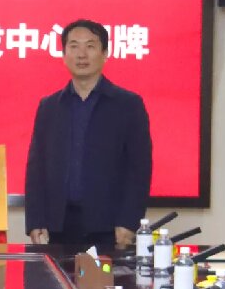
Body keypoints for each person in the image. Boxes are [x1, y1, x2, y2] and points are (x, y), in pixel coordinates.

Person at [25, 19, 152, 248]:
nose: (81, 54)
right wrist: (36, 220)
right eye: (74, 46)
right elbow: (37, 168)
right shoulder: (50, 107)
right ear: (64, 55)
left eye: (90, 46)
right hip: (57, 226)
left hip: (109, 227)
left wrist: (129, 221)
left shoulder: (128, 105)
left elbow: (139, 169)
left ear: (105, 54)